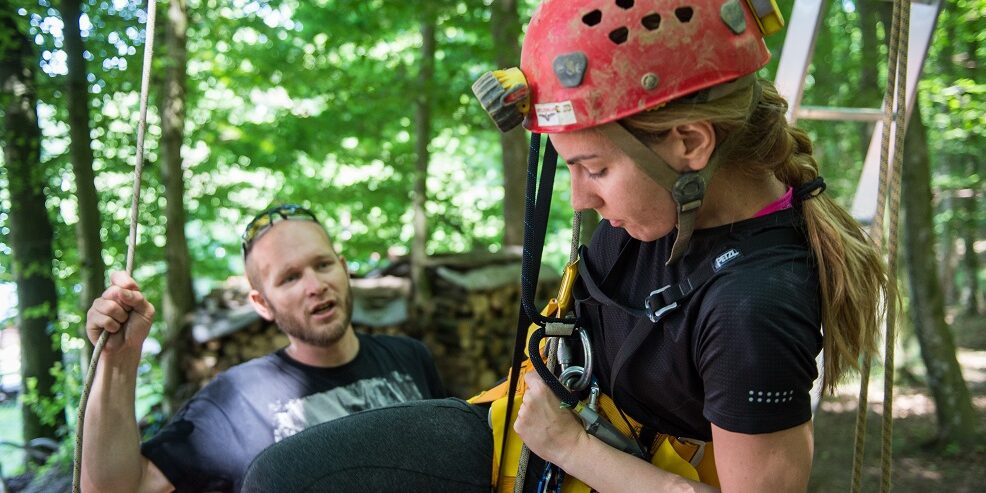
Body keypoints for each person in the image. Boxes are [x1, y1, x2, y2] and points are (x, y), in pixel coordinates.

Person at [243, 1, 888, 491]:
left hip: (583, 455)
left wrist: (574, 450)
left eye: (595, 169)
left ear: (691, 144)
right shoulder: (670, 200)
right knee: (282, 477)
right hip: (540, 426)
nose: (580, 199)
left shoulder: (755, 306)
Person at [81, 204, 445, 493]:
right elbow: (115, 489)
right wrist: (119, 359)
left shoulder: (408, 356)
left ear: (344, 269)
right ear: (262, 304)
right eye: (290, 278)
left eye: (323, 264)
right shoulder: (234, 402)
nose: (315, 285)